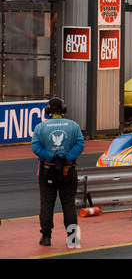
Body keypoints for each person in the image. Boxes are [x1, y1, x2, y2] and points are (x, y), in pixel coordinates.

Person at [31, 97, 84, 246]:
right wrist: (66, 158)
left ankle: (46, 237)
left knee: (47, 204)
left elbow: (35, 147)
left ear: (48, 110)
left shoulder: (40, 127)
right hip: (68, 170)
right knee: (69, 205)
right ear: (63, 110)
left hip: (47, 171)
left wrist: (51, 157)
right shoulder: (73, 126)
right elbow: (80, 144)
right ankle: (73, 239)